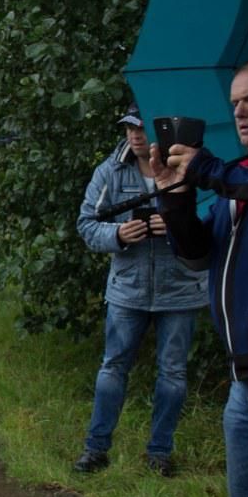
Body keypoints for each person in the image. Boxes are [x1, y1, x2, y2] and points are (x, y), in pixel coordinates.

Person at [152, 59, 248, 497]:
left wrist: (213, 172)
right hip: (244, 383)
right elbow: (199, 254)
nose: (239, 111)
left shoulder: (243, 180)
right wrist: (175, 199)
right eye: (234, 102)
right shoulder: (240, 181)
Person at [73, 103, 207, 477]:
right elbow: (86, 224)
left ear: (162, 130)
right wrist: (116, 234)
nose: (134, 135)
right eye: (128, 127)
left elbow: (212, 225)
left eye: (142, 127)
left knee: (173, 374)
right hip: (127, 290)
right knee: (113, 368)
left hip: (181, 288)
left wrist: (179, 226)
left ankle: (159, 453)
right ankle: (95, 449)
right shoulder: (110, 172)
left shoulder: (189, 168)